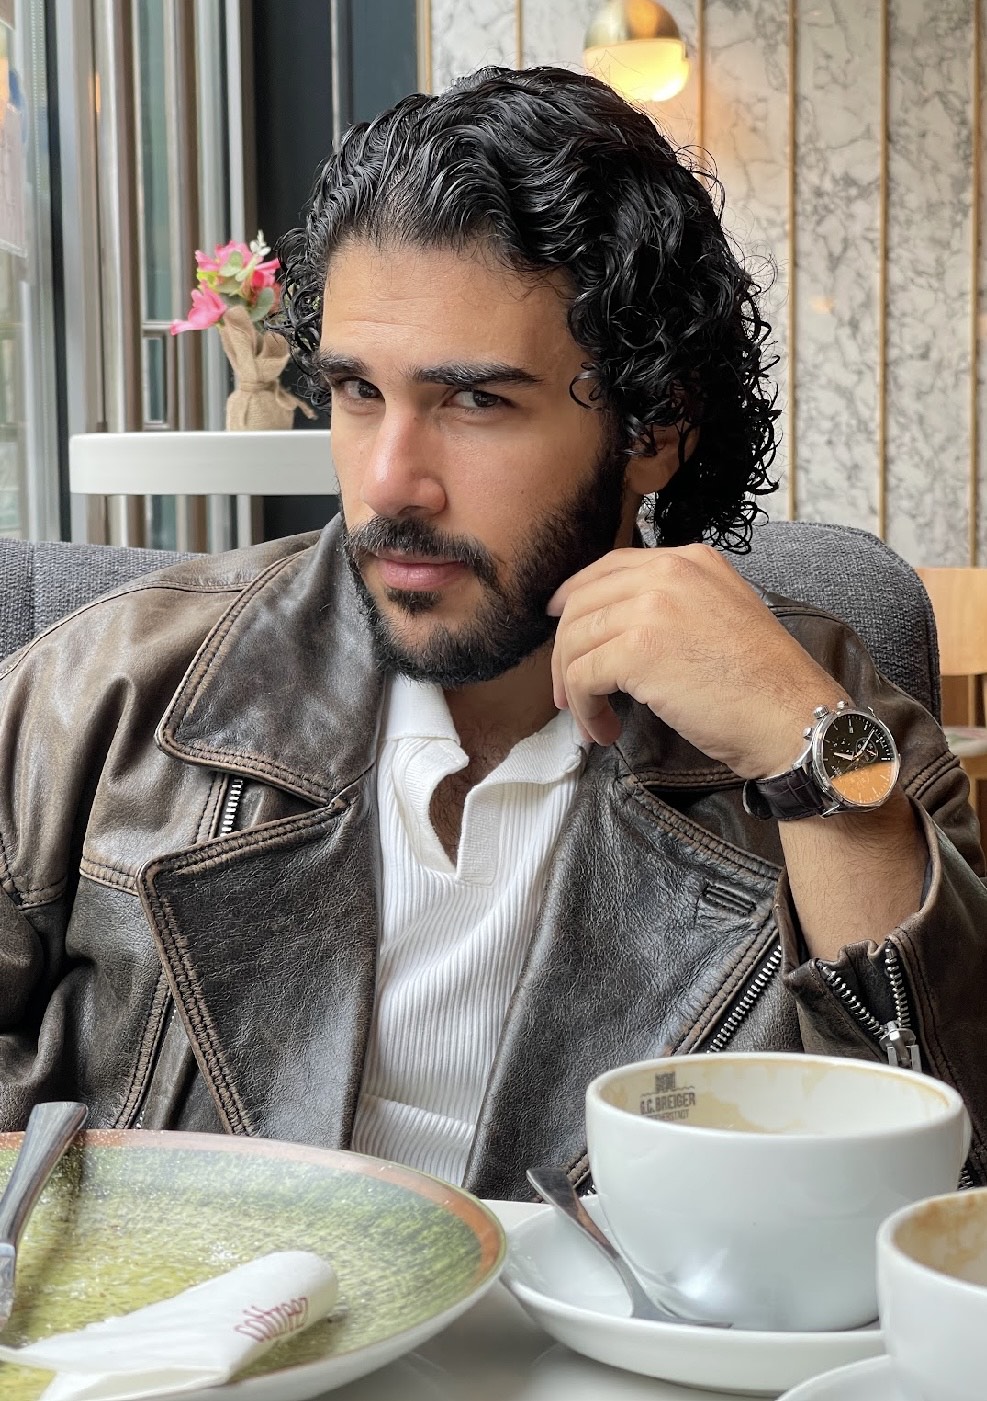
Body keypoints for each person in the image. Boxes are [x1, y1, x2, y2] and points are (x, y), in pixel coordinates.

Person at [0, 66, 985, 1199]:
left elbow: (949, 1186)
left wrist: (809, 759)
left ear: (654, 425)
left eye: (475, 401)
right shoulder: (102, 696)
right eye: (358, 392)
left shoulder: (840, 724)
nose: (388, 482)